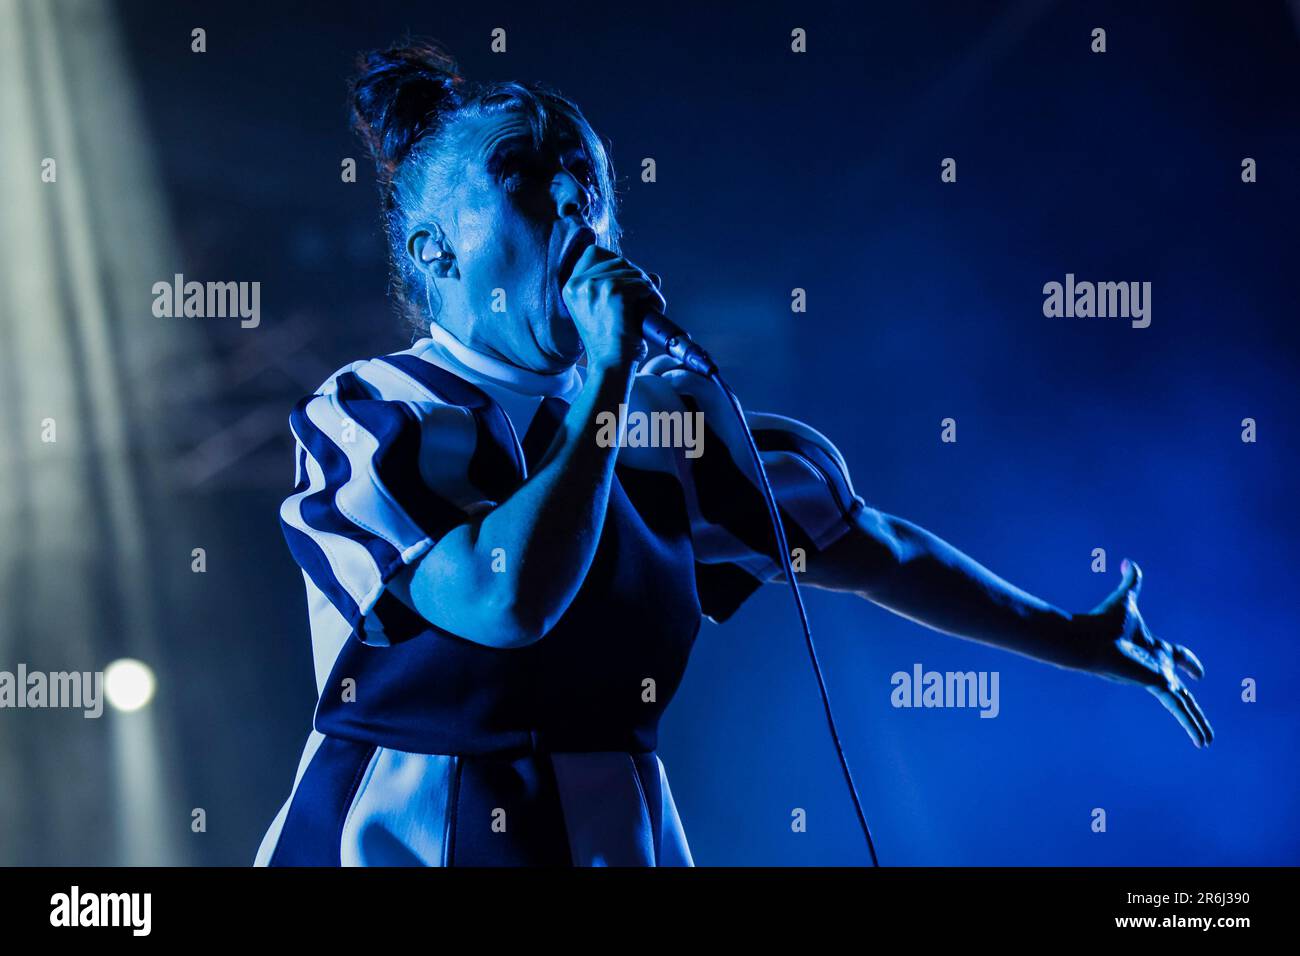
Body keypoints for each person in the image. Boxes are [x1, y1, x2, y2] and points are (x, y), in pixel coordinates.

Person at [254, 40, 1212, 867]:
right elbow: (506, 599)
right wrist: (610, 376)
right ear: (435, 250)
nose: (570, 201)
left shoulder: (663, 431)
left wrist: (1073, 638)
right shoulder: (376, 412)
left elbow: (876, 550)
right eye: (523, 174)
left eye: (585, 178)